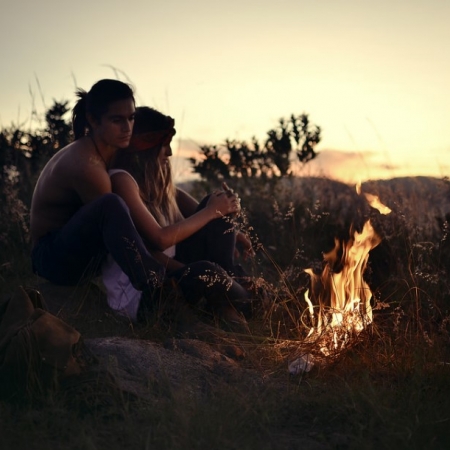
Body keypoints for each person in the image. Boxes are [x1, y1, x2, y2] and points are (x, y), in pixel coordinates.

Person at [101, 106, 255, 326]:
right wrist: (213, 211)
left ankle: (226, 294)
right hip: (143, 294)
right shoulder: (122, 181)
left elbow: (208, 218)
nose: (170, 153)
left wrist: (231, 226)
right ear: (147, 147)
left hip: (171, 274)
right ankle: (245, 297)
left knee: (218, 200)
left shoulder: (158, 185)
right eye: (164, 146)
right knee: (206, 270)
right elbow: (158, 243)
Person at [30, 79, 165, 295]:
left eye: (131, 118)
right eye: (116, 120)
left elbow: (159, 191)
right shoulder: (87, 165)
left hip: (73, 246)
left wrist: (207, 211)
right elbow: (122, 230)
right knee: (110, 204)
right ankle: (155, 285)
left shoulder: (111, 148)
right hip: (52, 259)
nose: (127, 128)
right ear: (93, 120)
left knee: (139, 177)